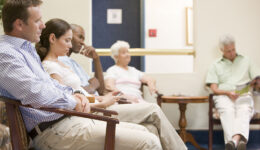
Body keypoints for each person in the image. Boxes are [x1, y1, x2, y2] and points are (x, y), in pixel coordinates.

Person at [0, 0, 164, 149]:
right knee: (149, 142)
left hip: (65, 121)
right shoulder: (6, 54)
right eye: (37, 21)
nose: (42, 25)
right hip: (52, 130)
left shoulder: (26, 50)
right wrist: (73, 100)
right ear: (19, 24)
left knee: (147, 131)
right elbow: (36, 93)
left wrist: (75, 94)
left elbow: (50, 85)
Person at [37, 21, 187, 150]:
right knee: (153, 111)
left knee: (151, 129)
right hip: (88, 113)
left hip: (94, 106)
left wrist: (101, 97)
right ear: (52, 39)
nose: (71, 45)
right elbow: (70, 101)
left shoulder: (64, 64)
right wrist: (102, 102)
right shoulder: (51, 66)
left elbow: (81, 94)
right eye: (68, 40)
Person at [206, 34, 260, 150]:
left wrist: (256, 83)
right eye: (228, 51)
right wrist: (227, 93)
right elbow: (214, 88)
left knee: (244, 110)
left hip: (243, 94)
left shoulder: (247, 60)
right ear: (222, 50)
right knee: (227, 111)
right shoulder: (215, 65)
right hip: (224, 96)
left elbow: (257, 79)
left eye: (233, 49)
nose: (232, 53)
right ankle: (238, 143)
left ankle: (232, 142)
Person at [59, 24, 105, 95]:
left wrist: (96, 59)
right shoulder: (60, 60)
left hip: (97, 100)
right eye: (80, 37)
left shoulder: (74, 63)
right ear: (68, 35)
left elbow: (101, 90)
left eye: (83, 39)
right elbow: (74, 94)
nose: (82, 42)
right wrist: (92, 86)